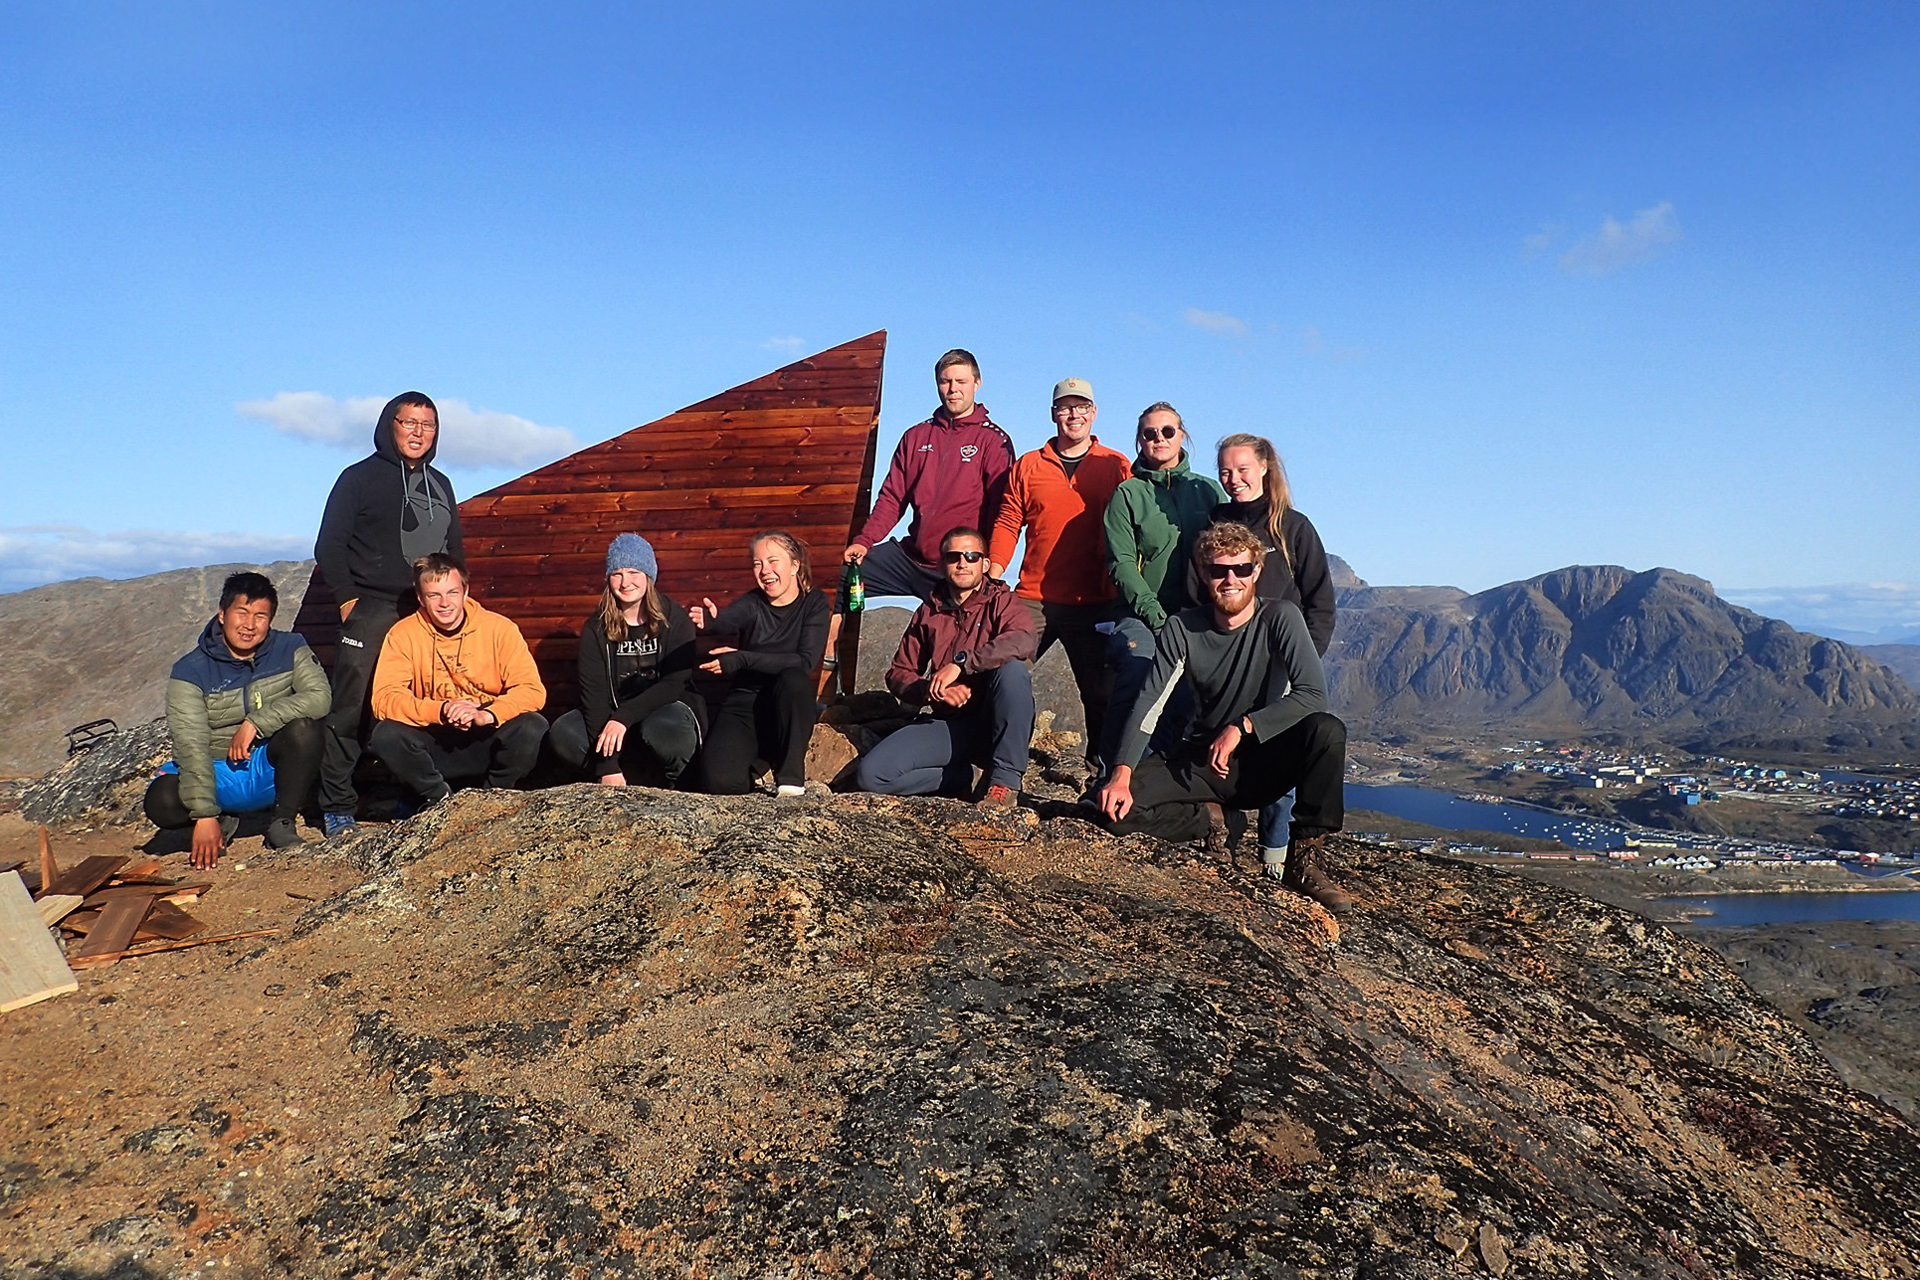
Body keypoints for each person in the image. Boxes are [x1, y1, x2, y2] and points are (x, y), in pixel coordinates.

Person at [1096, 523, 1352, 915]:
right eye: (1218, 570)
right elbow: (1150, 702)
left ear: (1257, 571)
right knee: (1110, 810)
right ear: (1203, 573)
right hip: (1202, 762)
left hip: (1262, 763)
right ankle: (1209, 821)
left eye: (1242, 568)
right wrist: (1121, 773)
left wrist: (1244, 726)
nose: (1230, 579)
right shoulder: (1183, 628)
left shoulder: (1280, 617)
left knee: (1327, 732)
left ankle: (1305, 860)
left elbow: (1313, 694)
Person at [314, 392, 463, 837]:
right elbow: (329, 545)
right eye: (409, 422)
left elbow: (454, 552)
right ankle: (337, 803)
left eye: (428, 425)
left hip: (424, 610)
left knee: (419, 701)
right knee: (353, 705)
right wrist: (348, 601)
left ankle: (411, 794)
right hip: (373, 609)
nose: (418, 432)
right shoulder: (357, 478)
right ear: (389, 425)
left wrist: (457, 599)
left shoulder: (442, 485)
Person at [987, 377, 1132, 775]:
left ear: (1094, 413)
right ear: (1053, 414)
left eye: (1081, 406)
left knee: (1101, 692)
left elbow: (1136, 523)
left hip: (1097, 600)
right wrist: (995, 572)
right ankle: (998, 764)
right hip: (1034, 597)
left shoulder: (1116, 466)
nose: (1074, 414)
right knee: (1005, 676)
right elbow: (1008, 520)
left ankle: (1101, 773)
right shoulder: (1029, 466)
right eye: (1066, 407)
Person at [1210, 432, 1338, 870]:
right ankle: (1222, 840)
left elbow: (1320, 602)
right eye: (1225, 471)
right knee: (1220, 742)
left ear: (1265, 467)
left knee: (1279, 749)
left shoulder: (1293, 528)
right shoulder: (1216, 520)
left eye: (1242, 469)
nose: (1234, 479)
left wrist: (1304, 659)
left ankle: (1275, 858)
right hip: (1227, 659)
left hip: (1280, 662)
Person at [145, 572, 331, 868]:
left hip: (268, 765)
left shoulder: (291, 647)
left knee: (305, 730)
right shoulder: (190, 671)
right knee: (161, 799)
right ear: (222, 614)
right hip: (219, 770)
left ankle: (282, 822)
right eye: (241, 613)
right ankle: (218, 819)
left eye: (260, 616)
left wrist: (256, 723)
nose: (249, 625)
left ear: (270, 620)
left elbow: (320, 696)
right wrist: (204, 815)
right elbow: (190, 744)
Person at [854, 527, 1039, 809]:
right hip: (952, 726)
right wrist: (931, 690)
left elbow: (1024, 639)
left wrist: (961, 664)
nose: (963, 562)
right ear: (942, 564)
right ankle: (964, 778)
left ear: (985, 564)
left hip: (996, 724)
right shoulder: (929, 610)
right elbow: (899, 673)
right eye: (954, 557)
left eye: (972, 556)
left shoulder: (1002, 601)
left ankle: (1005, 781)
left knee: (1012, 672)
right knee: (873, 777)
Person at [1098, 402, 1227, 772]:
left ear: (1182, 435)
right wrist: (1154, 615)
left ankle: (1171, 777)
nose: (1159, 439)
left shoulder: (1208, 491)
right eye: (1150, 433)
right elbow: (1121, 563)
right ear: (1139, 441)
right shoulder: (1128, 495)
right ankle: (1111, 771)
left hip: (1198, 614)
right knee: (1141, 668)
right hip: (1141, 613)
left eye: (1167, 431)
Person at [367, 553, 548, 807]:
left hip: (486, 732)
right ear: (421, 598)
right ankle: (438, 799)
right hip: (434, 737)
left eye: (452, 592)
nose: (444, 603)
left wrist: (488, 714)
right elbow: (384, 699)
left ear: (465, 591)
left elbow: (531, 690)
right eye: (434, 595)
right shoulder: (403, 634)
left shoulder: (500, 629)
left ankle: (491, 799)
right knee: (386, 734)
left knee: (532, 726)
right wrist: (442, 710)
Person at [842, 349, 1015, 602]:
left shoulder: (993, 440)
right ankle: (831, 641)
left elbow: (1001, 511)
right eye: (945, 382)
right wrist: (864, 541)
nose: (953, 389)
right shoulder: (916, 436)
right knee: (841, 578)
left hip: (959, 564)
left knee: (953, 638)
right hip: (911, 558)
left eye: (961, 381)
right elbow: (892, 497)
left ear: (977, 384)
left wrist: (989, 564)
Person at [548, 533, 705, 787]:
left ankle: (678, 783)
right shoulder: (595, 628)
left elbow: (675, 683)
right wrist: (606, 766)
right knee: (565, 732)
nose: (625, 582)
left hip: (663, 711)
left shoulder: (674, 618)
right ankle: (620, 774)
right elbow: (595, 694)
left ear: (648, 577)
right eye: (617, 573)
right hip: (613, 717)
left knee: (665, 728)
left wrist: (624, 717)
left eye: (634, 572)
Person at [691, 530, 831, 797]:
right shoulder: (752, 602)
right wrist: (712, 623)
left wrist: (741, 658)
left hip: (787, 702)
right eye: (758, 563)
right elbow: (728, 619)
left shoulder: (814, 602)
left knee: (793, 679)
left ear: (794, 565)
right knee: (719, 783)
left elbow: (804, 661)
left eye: (772, 561)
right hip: (746, 702)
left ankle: (790, 778)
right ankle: (758, 763)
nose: (765, 570)